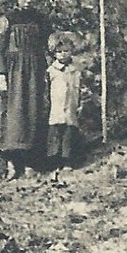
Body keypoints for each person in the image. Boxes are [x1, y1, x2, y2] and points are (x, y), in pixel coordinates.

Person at [0, 0, 50, 180]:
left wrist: (46, 70)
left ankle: (29, 163)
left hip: (34, 72)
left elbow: (45, 47)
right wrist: (1, 75)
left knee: (33, 113)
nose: (28, 1)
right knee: (13, 116)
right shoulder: (9, 19)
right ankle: (11, 164)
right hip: (14, 72)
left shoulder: (41, 20)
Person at [45, 37, 83, 181]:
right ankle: (54, 163)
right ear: (54, 54)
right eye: (59, 52)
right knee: (55, 135)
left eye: (66, 51)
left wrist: (80, 103)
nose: (63, 54)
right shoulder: (51, 70)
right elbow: (46, 90)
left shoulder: (76, 69)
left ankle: (67, 161)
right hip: (56, 108)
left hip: (71, 107)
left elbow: (81, 88)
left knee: (69, 134)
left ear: (71, 51)